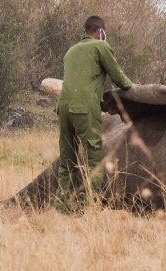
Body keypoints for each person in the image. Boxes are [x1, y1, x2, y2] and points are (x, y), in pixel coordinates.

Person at [55, 15, 133, 213]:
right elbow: (119, 78)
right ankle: (91, 206)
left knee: (67, 160)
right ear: (100, 31)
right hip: (84, 109)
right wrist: (132, 87)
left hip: (63, 108)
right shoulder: (101, 47)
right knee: (94, 160)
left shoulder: (71, 51)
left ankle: (61, 207)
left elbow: (82, 82)